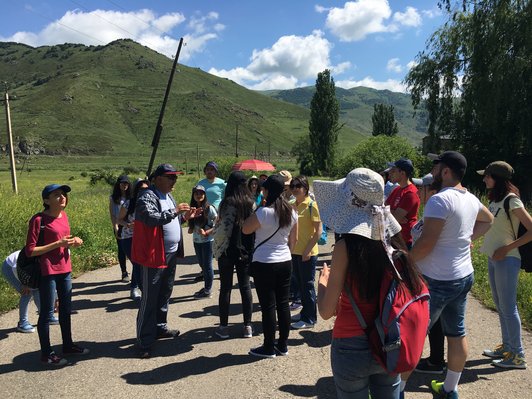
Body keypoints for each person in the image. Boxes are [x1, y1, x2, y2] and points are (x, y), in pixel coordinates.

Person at [314, 167, 424, 399]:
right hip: (391, 340)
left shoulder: (346, 247)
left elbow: (326, 311)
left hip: (350, 345)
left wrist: (322, 283)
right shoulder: (395, 242)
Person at [404, 151, 493, 399]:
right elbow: (488, 220)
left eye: (436, 167)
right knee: (456, 332)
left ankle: (395, 391)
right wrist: (466, 240)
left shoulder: (440, 200)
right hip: (463, 275)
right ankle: (450, 389)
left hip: (437, 279)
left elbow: (426, 245)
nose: (433, 172)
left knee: (413, 335)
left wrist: (405, 264)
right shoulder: (470, 198)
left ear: (445, 172)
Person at [131, 163, 199, 359]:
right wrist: (175, 212)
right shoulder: (147, 196)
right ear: (158, 178)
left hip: (169, 254)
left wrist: (186, 217)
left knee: (164, 293)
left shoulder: (168, 195)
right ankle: (144, 340)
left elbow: (171, 220)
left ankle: (160, 327)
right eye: (170, 177)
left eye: (175, 177)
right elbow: (151, 218)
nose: (174, 181)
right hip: (153, 255)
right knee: (150, 297)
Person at [26, 184, 87, 366]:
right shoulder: (38, 220)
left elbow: (63, 242)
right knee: (46, 312)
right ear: (46, 200)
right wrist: (58, 244)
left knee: (66, 310)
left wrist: (72, 242)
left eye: (63, 194)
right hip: (47, 271)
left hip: (65, 269)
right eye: (57, 195)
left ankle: (67, 345)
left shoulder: (64, 216)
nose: (62, 198)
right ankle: (47, 353)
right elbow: (30, 251)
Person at [478, 161, 532, 369]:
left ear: (497, 178)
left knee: (509, 307)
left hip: (508, 259)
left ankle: (518, 356)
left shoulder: (512, 201)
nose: (484, 179)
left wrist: (506, 248)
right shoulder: (496, 200)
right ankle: (508, 347)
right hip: (495, 258)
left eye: (487, 176)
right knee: (501, 306)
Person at [242, 174, 298, 358]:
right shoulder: (292, 211)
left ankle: (268, 347)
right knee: (283, 305)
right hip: (285, 260)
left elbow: (246, 229)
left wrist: (260, 206)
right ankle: (282, 345)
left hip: (264, 262)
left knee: (268, 306)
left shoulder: (263, 212)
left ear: (267, 190)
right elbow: (294, 241)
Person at [410, 174, 446, 375]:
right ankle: (436, 360)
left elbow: (428, 243)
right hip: (427, 271)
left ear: (432, 191)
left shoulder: (438, 213)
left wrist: (408, 262)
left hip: (432, 273)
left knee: (427, 320)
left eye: (421, 188)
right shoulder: (431, 213)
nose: (417, 191)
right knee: (437, 321)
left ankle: (431, 361)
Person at [212, 171, 255, 339]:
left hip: (227, 251)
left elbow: (222, 231)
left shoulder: (226, 203)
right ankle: (247, 326)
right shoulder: (250, 203)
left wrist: (217, 247)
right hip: (245, 250)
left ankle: (223, 327)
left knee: (226, 288)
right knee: (245, 287)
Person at [289, 175, 322, 329]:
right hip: (294, 251)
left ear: (305, 188)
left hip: (307, 252)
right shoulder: (291, 204)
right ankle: (304, 313)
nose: (295, 189)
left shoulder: (312, 205)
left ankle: (310, 318)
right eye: (293, 186)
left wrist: (307, 250)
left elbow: (318, 231)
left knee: (308, 285)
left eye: (298, 186)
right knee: (300, 285)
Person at [1, 250, 58, 333]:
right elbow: (18, 267)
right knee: (27, 293)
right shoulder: (35, 259)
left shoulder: (50, 260)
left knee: (37, 289)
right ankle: (22, 323)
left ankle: (46, 316)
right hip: (11, 267)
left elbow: (52, 283)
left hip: (27, 269)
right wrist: (24, 283)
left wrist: (56, 299)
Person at [118, 178, 150, 300]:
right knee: (137, 264)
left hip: (144, 238)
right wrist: (127, 225)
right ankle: (136, 289)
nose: (144, 192)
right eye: (141, 189)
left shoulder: (150, 203)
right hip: (129, 238)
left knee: (141, 264)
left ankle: (140, 289)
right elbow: (119, 219)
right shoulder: (128, 203)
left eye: (146, 189)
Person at [188, 184, 217, 299]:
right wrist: (191, 228)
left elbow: (218, 224)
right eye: (196, 193)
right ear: (193, 195)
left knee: (207, 265)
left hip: (208, 241)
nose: (199, 195)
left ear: (205, 195)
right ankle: (206, 288)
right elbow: (191, 226)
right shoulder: (192, 208)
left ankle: (207, 290)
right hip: (196, 240)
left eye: (201, 193)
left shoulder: (209, 208)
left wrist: (207, 232)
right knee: (202, 264)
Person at [385, 159, 420, 249]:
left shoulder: (411, 193)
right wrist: (390, 213)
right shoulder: (397, 189)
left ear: (402, 173)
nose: (390, 173)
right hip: (395, 239)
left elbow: (394, 219)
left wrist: (389, 213)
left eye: (393, 171)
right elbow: (383, 209)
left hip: (405, 242)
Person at [109, 175, 131, 282]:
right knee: (122, 249)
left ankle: (138, 270)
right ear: (118, 184)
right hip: (120, 226)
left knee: (132, 249)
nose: (124, 185)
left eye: (126, 183)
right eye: (122, 183)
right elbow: (113, 215)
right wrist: (116, 227)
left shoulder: (131, 197)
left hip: (131, 226)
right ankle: (124, 272)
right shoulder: (113, 198)